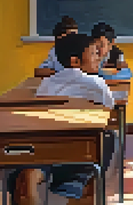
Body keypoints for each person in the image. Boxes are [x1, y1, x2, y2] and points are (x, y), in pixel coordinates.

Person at [13, 33, 116, 205]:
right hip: (82, 149)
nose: (98, 57)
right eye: (92, 54)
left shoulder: (47, 84)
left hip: (46, 147)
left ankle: (36, 172)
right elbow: (109, 109)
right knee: (109, 138)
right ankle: (82, 188)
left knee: (39, 150)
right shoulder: (97, 84)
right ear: (75, 61)